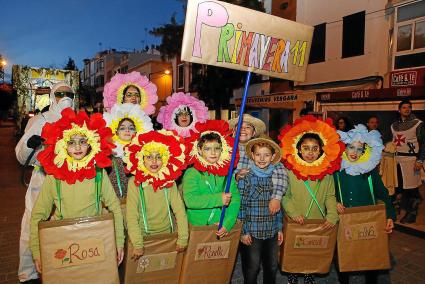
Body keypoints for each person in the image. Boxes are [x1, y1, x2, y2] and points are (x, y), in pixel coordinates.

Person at [30, 109, 124, 274]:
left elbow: (114, 207)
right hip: (64, 241)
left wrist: (119, 242)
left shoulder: (98, 174)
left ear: (91, 143)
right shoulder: (54, 177)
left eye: (83, 141)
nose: (78, 147)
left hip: (94, 239)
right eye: (71, 142)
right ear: (62, 144)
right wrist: (38, 252)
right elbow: (38, 215)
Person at [15, 82, 74, 283]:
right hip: (42, 178)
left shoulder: (77, 120)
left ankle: (62, 270)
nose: (65, 97)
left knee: (64, 225)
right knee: (32, 224)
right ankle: (28, 273)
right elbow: (22, 156)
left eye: (69, 94)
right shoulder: (40, 120)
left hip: (68, 182)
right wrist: (30, 145)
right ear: (52, 96)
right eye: (60, 94)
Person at [279, 115, 342, 284]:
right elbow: (285, 196)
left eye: (314, 148)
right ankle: (292, 276)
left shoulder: (326, 173)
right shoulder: (290, 172)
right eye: (306, 148)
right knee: (295, 249)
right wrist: (293, 213)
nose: (310, 152)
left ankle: (309, 275)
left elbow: (330, 196)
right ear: (298, 149)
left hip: (318, 221)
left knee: (312, 251)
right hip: (296, 220)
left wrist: (332, 216)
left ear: (320, 150)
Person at [335, 124, 396, 284]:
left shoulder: (369, 171)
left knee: (370, 259)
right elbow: (329, 193)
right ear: (344, 148)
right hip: (345, 223)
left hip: (367, 223)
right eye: (351, 147)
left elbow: (383, 194)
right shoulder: (337, 172)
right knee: (344, 257)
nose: (354, 152)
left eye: (359, 149)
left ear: (365, 151)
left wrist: (389, 215)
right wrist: (334, 203)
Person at [124, 130, 189, 259]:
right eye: (149, 157)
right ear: (141, 158)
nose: (154, 161)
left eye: (158, 157)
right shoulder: (134, 183)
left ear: (165, 159)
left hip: (167, 235)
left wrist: (183, 238)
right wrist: (137, 243)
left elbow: (180, 211)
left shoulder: (169, 181)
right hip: (144, 236)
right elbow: (131, 215)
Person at [182, 120, 241, 237]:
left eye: (217, 148)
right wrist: (219, 199)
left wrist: (227, 223)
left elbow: (235, 200)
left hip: (220, 226)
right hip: (198, 228)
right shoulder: (192, 173)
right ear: (199, 150)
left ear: (222, 149)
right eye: (207, 149)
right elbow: (190, 200)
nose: (213, 153)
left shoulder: (226, 173)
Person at [238, 136, 284, 284]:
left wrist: (279, 228)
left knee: (271, 266)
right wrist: (244, 231)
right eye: (258, 154)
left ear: (272, 157)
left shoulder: (276, 177)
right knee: (252, 267)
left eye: (266, 155)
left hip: (271, 230)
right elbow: (241, 206)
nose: (262, 158)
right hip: (252, 231)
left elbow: (278, 205)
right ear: (252, 155)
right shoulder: (246, 177)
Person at [229, 114, 287, 217]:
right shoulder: (226, 149)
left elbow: (280, 171)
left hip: (255, 204)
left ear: (254, 132)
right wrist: (236, 177)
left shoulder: (260, 147)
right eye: (240, 127)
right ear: (233, 131)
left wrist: (276, 197)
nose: (243, 129)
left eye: (248, 127)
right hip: (231, 202)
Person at [103, 103, 153, 199]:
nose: (127, 131)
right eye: (122, 128)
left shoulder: (143, 153)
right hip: (117, 199)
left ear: (136, 131)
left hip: (138, 198)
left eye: (131, 128)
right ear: (116, 131)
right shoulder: (110, 152)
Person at [391, 99, 424, 223]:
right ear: (399, 110)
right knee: (398, 186)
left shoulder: (418, 123)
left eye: (409, 107)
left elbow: (423, 143)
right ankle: (397, 210)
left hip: (411, 160)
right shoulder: (394, 126)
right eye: (404, 107)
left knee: (412, 188)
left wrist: (420, 160)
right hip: (397, 160)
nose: (407, 109)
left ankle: (412, 213)